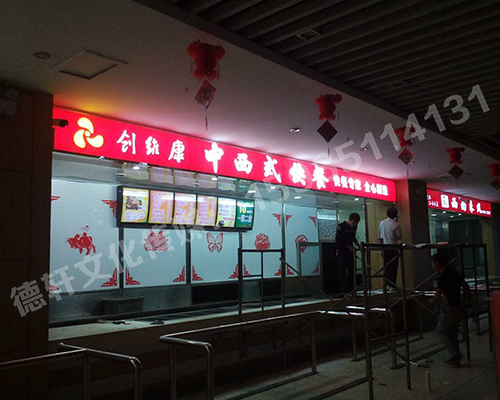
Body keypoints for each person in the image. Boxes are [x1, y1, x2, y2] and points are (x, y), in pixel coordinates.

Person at [429, 253, 472, 367]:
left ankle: (454, 354)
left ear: (438, 263)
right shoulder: (454, 273)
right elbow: (466, 286)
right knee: (452, 332)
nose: (432, 265)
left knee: (441, 331)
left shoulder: (442, 278)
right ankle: (454, 359)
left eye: (433, 262)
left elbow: (437, 297)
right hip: (458, 305)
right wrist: (468, 299)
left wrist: (431, 301)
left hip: (448, 307)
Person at [335, 213, 361, 294]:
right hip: (342, 251)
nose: (355, 225)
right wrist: (348, 246)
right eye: (354, 223)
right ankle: (344, 291)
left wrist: (358, 245)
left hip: (350, 252)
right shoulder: (341, 226)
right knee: (342, 271)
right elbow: (338, 240)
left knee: (351, 271)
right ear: (351, 220)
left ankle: (352, 290)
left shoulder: (354, 227)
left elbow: (353, 237)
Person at [379, 207, 402, 291]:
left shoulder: (382, 223)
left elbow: (380, 234)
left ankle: (386, 284)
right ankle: (392, 285)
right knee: (393, 267)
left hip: (384, 247)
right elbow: (399, 237)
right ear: (396, 215)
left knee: (386, 267)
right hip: (393, 248)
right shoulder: (396, 224)